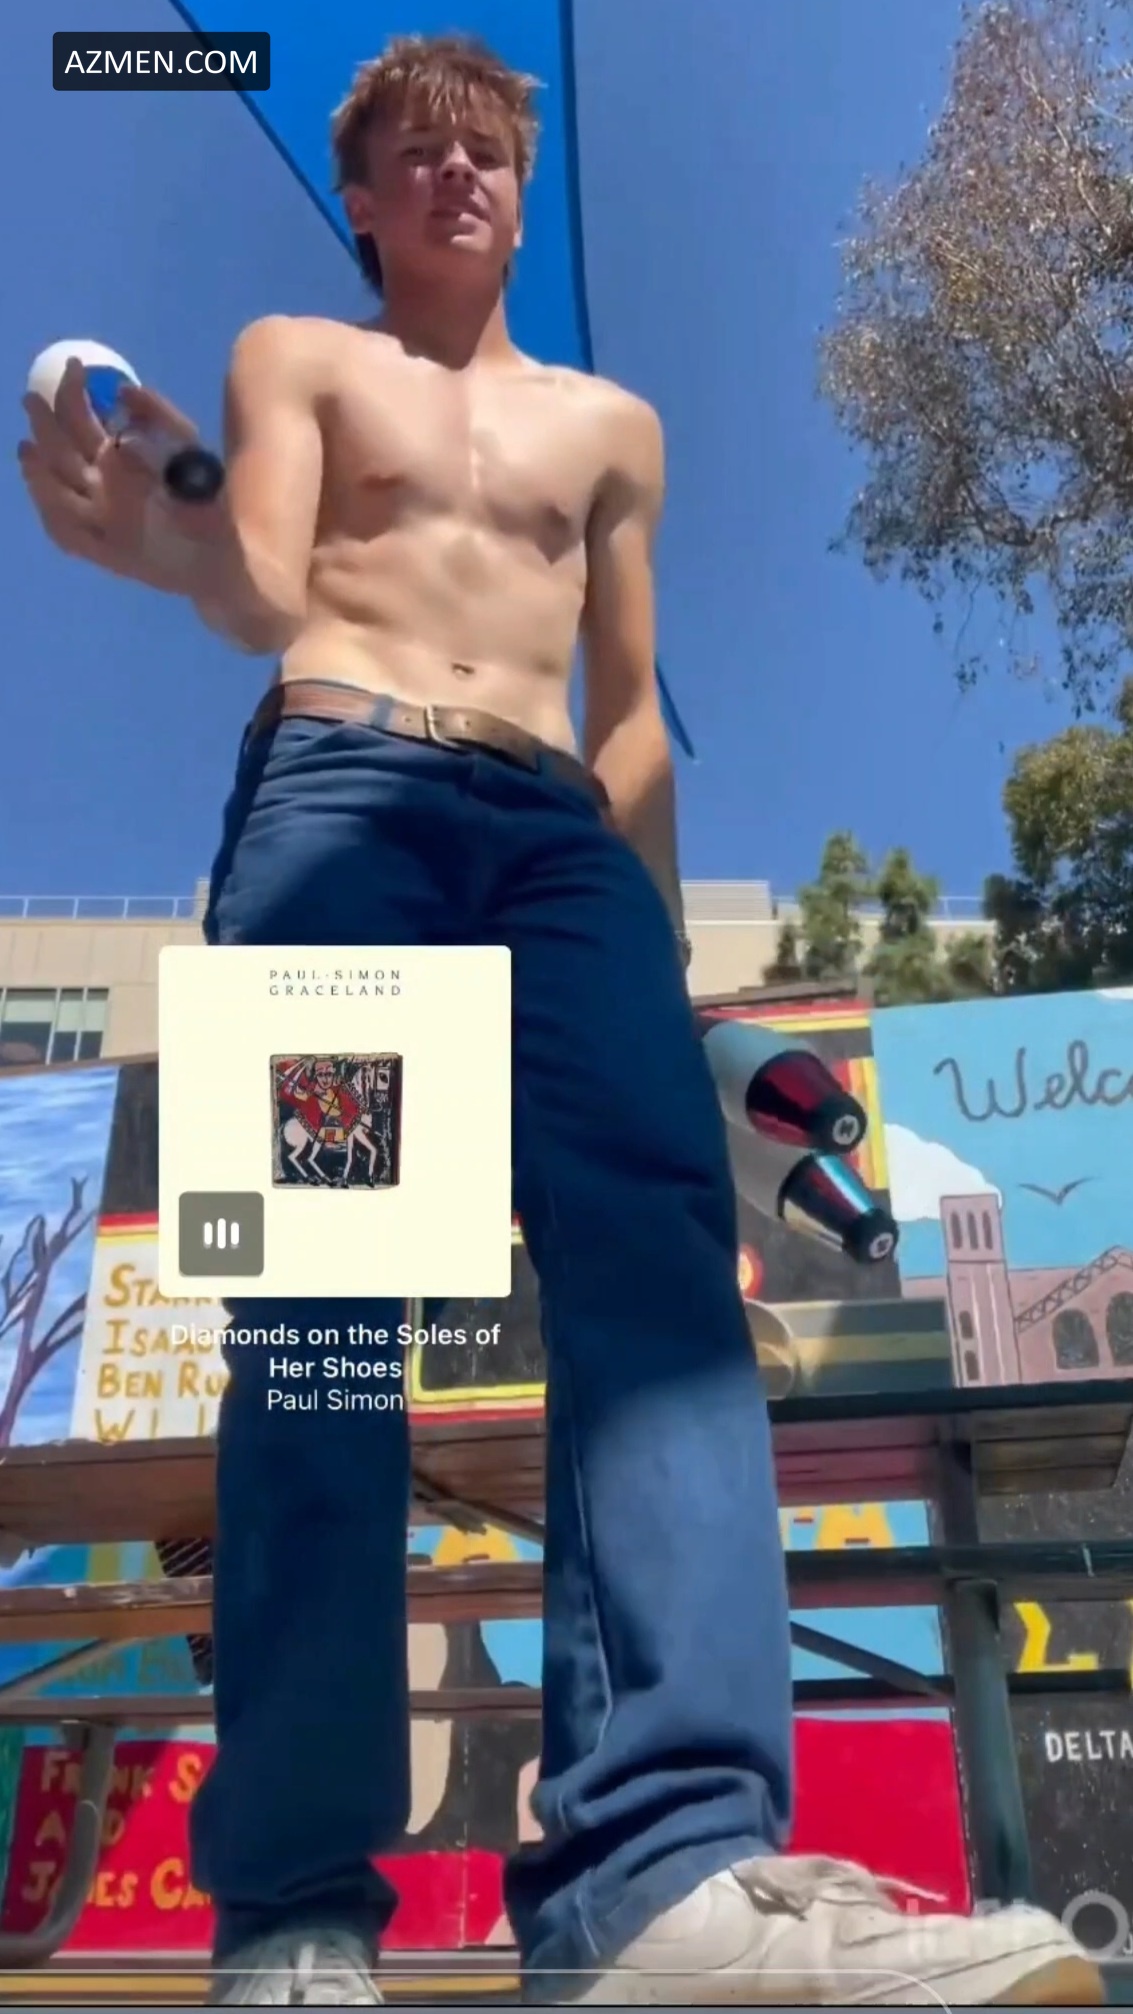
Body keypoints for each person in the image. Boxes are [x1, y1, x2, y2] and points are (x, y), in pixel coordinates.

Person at [18, 33, 1101, 2011]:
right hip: (339, 796)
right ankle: (294, 1913)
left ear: (521, 196)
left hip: (563, 851)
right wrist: (167, 514)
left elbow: (628, 709)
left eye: (489, 152)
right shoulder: (295, 355)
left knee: (664, 1289)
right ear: (361, 200)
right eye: (418, 152)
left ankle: (660, 1879)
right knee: (325, 1313)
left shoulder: (613, 426)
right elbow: (257, 580)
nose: (460, 173)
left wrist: (659, 964)